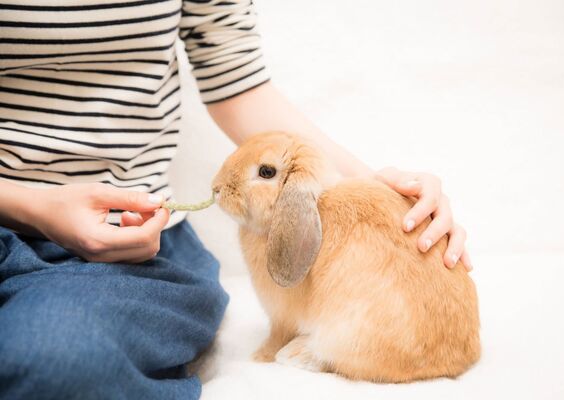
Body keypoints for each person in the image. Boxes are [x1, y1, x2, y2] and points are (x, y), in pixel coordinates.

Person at [0, 1, 472, 399]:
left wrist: (379, 187)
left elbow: (236, 76)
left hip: (129, 240)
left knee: (51, 357)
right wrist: (34, 206)